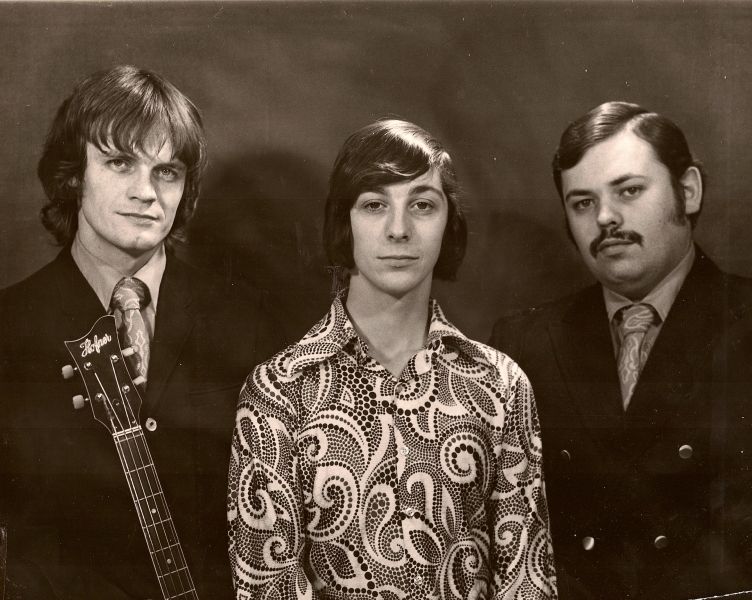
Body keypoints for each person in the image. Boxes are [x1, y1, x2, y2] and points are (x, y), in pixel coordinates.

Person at [227, 119, 557, 600]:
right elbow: (267, 587)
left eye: (422, 205)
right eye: (374, 204)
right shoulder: (280, 390)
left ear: (449, 223)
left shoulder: (499, 384)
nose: (399, 230)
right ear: (345, 223)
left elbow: (527, 580)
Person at [0, 65, 282, 599]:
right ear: (73, 175)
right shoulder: (9, 327)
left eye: (167, 171)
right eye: (120, 163)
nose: (146, 193)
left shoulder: (246, 322)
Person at [490, 101, 752, 599]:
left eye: (629, 190)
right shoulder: (522, 343)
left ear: (688, 190)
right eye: (582, 203)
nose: (605, 218)